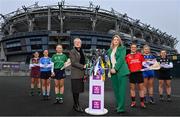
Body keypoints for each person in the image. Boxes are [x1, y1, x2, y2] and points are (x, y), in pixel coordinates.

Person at [107, 35, 130, 113]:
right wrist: (110, 69)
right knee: (116, 90)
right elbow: (108, 61)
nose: (116, 41)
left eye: (117, 39)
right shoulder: (109, 50)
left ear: (119, 41)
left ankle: (121, 108)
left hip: (121, 71)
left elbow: (121, 59)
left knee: (121, 90)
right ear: (112, 41)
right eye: (114, 39)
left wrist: (115, 68)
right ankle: (118, 106)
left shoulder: (122, 49)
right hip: (112, 72)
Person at [126, 43, 146, 108]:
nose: (133, 48)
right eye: (132, 47)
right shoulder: (127, 56)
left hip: (139, 73)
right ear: (130, 48)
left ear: (136, 48)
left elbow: (144, 64)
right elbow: (125, 65)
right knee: (132, 89)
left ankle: (142, 103)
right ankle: (133, 102)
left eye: (135, 47)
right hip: (132, 74)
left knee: (141, 89)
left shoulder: (140, 55)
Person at [69, 38, 86, 112]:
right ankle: (76, 105)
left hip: (81, 73)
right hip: (75, 74)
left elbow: (84, 60)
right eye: (76, 42)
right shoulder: (72, 51)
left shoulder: (82, 51)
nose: (78, 43)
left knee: (78, 90)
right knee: (75, 90)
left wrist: (86, 65)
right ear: (74, 43)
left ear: (81, 43)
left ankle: (75, 104)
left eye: (79, 42)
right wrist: (83, 66)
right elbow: (73, 62)